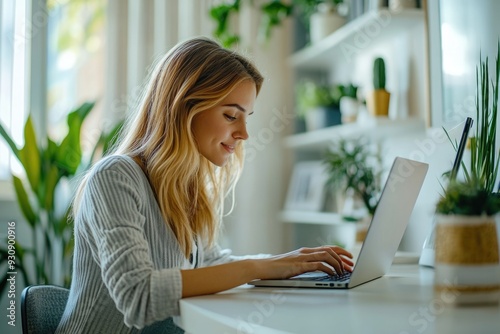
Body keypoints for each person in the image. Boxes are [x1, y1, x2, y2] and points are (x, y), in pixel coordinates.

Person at [55, 37, 353, 334]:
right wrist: (260, 268)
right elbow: (139, 296)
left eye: (246, 118)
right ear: (184, 108)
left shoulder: (185, 187)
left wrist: (291, 264)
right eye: (230, 116)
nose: (244, 134)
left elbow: (209, 264)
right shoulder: (114, 177)